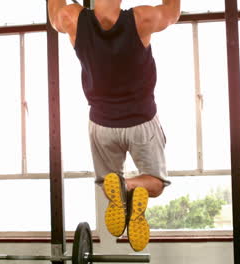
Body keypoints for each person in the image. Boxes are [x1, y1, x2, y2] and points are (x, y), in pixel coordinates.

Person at [48, 0, 181, 251]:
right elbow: (173, 13)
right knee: (155, 183)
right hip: (142, 120)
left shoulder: (72, 18)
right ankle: (132, 185)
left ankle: (120, 186)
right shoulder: (141, 18)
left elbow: (55, 12)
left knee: (109, 184)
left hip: (102, 124)